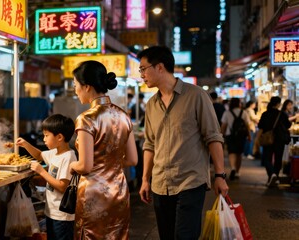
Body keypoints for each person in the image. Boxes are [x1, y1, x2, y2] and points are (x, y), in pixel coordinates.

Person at [136, 46, 228, 240]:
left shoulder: (196, 96)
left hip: (190, 181)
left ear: (160, 67)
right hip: (160, 183)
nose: (141, 74)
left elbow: (213, 136)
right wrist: (145, 179)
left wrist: (220, 175)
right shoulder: (152, 104)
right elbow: (150, 144)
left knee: (185, 236)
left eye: (144, 68)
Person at [69, 60, 138, 239]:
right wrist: (109, 163)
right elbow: (132, 160)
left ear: (87, 87)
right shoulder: (123, 115)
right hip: (119, 191)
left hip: (94, 195)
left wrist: (72, 165)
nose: (75, 91)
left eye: (75, 85)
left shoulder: (86, 118)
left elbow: (85, 166)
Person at [16, 114, 77, 240]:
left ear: (59, 137)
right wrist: (25, 144)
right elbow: (39, 155)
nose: (44, 139)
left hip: (62, 215)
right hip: (51, 211)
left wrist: (41, 172)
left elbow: (62, 186)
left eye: (46, 135)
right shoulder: (55, 152)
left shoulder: (68, 157)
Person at [257, 96, 291, 187]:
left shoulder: (265, 114)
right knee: (278, 159)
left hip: (268, 139)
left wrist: (257, 139)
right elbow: (288, 125)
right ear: (278, 104)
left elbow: (260, 126)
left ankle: (271, 176)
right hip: (280, 140)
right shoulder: (282, 114)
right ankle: (275, 175)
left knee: (267, 159)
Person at [221, 98, 251, 180]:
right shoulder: (244, 112)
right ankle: (237, 172)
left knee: (231, 152)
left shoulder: (227, 113)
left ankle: (233, 168)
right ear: (239, 104)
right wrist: (249, 135)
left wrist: (221, 136)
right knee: (239, 153)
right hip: (241, 136)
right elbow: (247, 125)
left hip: (230, 135)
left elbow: (224, 125)